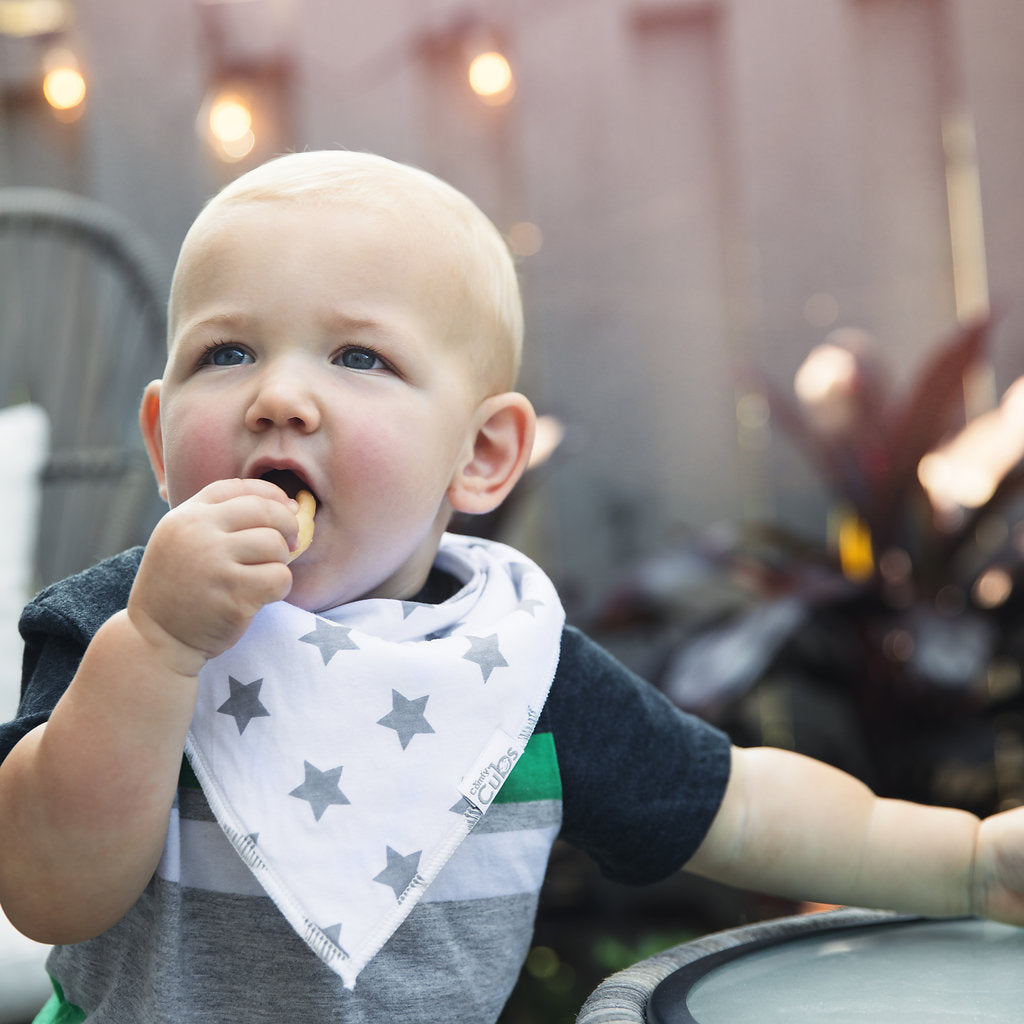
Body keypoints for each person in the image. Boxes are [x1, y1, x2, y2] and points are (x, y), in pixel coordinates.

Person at [1, 150, 1023, 1024]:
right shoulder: (113, 626)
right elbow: (50, 889)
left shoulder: (510, 669)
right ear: (159, 440)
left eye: (358, 355)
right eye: (226, 353)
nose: (278, 397)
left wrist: (969, 860)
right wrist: (161, 648)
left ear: (483, 454)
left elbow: (743, 805)